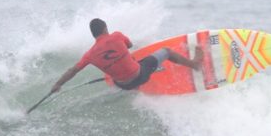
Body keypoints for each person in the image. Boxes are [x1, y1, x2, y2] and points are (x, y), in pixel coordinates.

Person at [51, 18, 202, 93]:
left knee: (128, 67)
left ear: (93, 35)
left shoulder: (89, 55)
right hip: (139, 75)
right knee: (166, 52)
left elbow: (73, 70)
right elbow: (129, 46)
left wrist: (58, 84)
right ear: (105, 29)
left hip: (123, 85)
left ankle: (139, 87)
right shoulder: (116, 36)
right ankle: (195, 64)